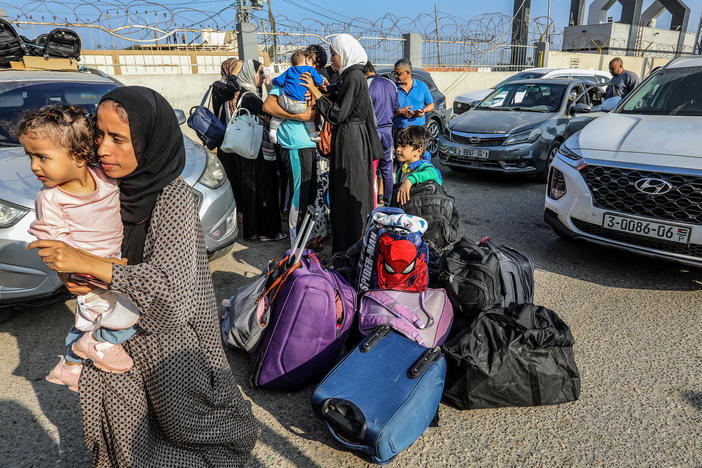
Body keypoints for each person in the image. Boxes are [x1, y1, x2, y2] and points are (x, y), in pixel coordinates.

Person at [28, 86, 260, 466]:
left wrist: (85, 262)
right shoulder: (108, 187)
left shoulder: (173, 198)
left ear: (149, 138)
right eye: (99, 135)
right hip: (114, 334)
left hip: (167, 339)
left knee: (185, 427)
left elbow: (170, 295)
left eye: (118, 138)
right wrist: (74, 271)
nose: (102, 149)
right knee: (125, 432)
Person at [19, 104, 138, 392]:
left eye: (42, 157)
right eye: (31, 157)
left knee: (95, 318)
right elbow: (55, 243)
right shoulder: (51, 199)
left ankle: (70, 365)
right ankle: (96, 345)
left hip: (113, 266)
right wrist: (71, 274)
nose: (34, 166)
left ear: (79, 156)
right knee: (130, 316)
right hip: (88, 272)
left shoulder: (105, 178)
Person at [300, 33, 384, 255]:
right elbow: (340, 97)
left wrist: (315, 92)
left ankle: (351, 250)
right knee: (343, 193)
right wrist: (327, 89)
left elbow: (337, 113)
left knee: (349, 191)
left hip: (352, 142)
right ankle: (346, 249)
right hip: (349, 138)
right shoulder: (349, 76)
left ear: (345, 54)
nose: (332, 59)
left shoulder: (354, 76)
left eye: (335, 54)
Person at [213, 59, 286, 242]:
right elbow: (272, 114)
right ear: (249, 74)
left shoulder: (246, 94)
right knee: (264, 190)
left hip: (248, 150)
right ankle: (267, 232)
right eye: (259, 72)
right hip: (259, 151)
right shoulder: (250, 96)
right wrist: (272, 90)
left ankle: (253, 231)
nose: (262, 77)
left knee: (251, 191)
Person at [263, 66, 319, 247]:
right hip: (294, 145)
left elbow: (315, 115)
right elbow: (268, 106)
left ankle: (305, 241)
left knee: (309, 194)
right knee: (299, 196)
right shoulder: (286, 83)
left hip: (309, 144)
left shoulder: (309, 83)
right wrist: (298, 115)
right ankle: (296, 244)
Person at [269, 49, 325, 144]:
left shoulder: (289, 71)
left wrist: (272, 80)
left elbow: (278, 80)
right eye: (313, 62)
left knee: (277, 117)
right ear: (307, 60)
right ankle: (313, 134)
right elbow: (267, 106)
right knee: (308, 118)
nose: (315, 67)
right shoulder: (310, 70)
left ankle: (273, 130)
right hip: (294, 140)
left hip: (285, 101)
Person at [363, 61, 398, 206]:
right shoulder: (391, 84)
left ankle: (370, 206)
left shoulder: (366, 84)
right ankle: (389, 203)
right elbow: (396, 108)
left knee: (370, 170)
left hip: (372, 132)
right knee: (387, 169)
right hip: (388, 131)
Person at [393, 125, 442, 205]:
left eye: (403, 146)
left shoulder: (424, 167)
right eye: (398, 145)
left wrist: (410, 180)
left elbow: (433, 174)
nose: (398, 149)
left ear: (418, 151)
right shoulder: (402, 168)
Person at [392, 58, 434, 130]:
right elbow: (386, 113)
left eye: (398, 74)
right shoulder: (392, 88)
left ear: (408, 73)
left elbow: (431, 105)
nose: (395, 76)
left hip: (419, 131)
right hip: (399, 131)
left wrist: (423, 111)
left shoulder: (422, 86)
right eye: (394, 73)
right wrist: (400, 112)